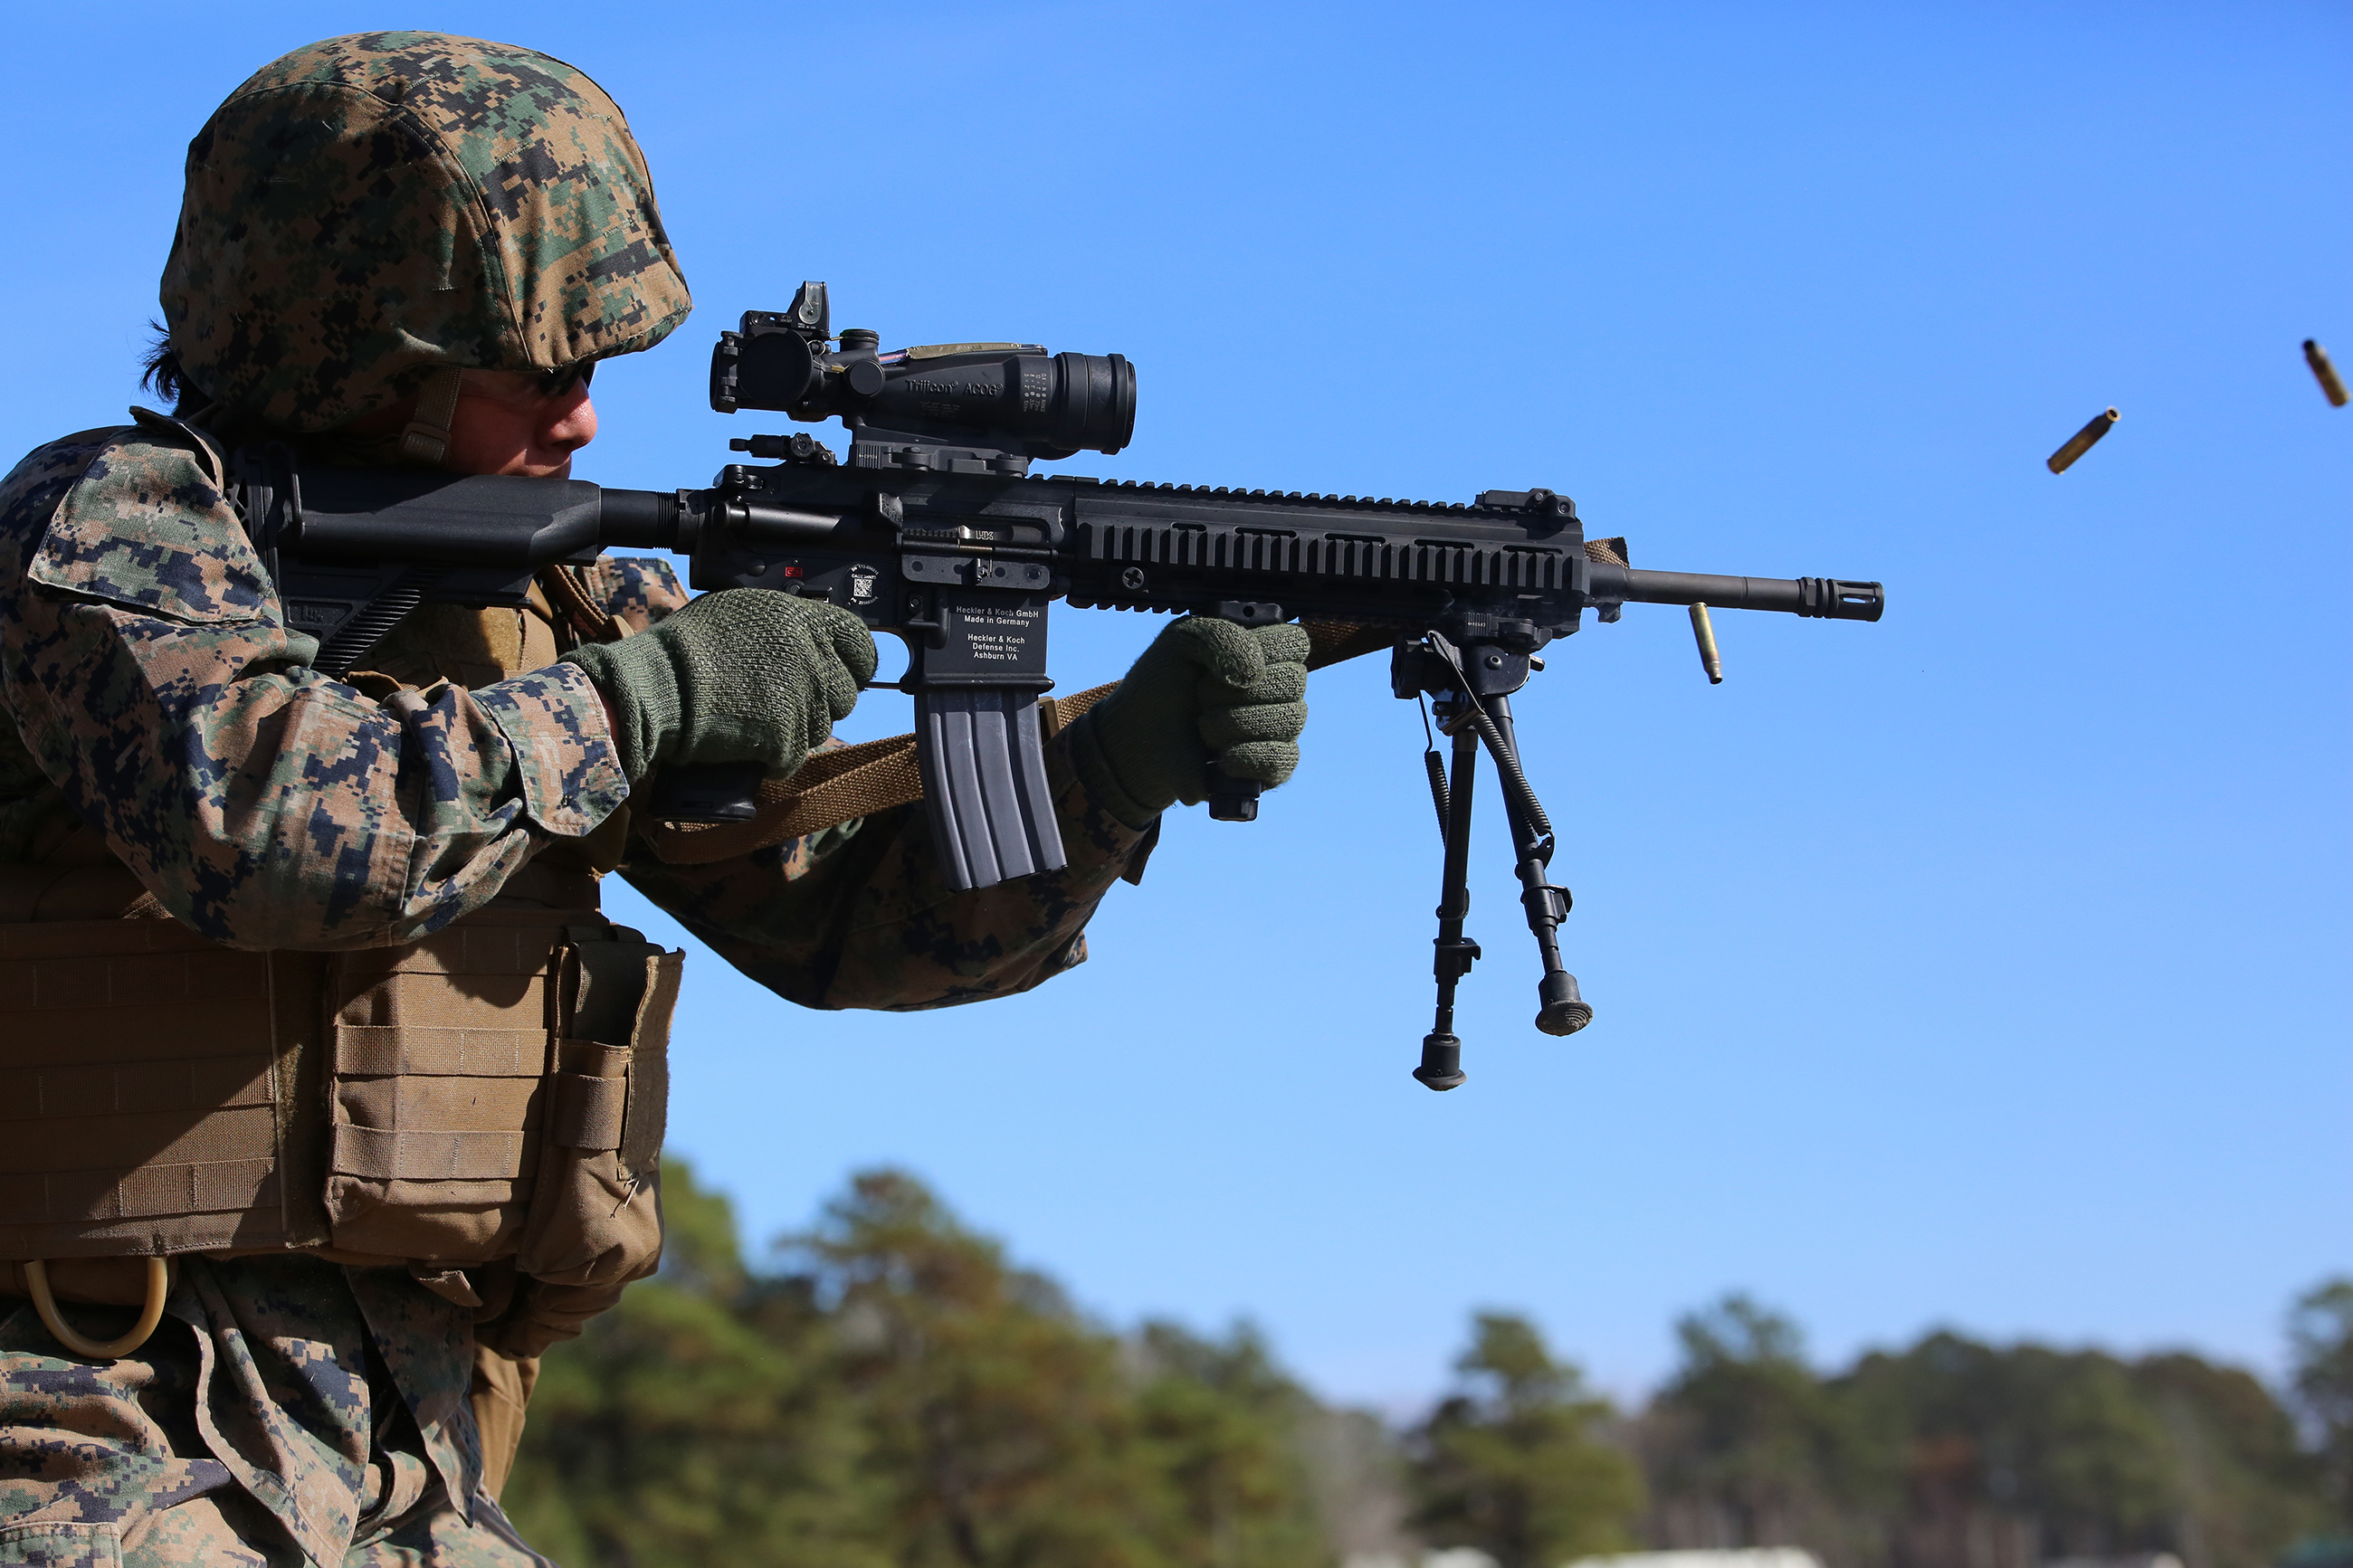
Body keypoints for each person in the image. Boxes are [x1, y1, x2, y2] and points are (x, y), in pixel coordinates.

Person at [0, 31, 1309, 1566]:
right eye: (537, 371)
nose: (585, 422)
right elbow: (271, 824)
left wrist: (1111, 770)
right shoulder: (114, 525)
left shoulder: (557, 597)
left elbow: (834, 918)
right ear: (368, 354)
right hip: (92, 1414)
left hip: (414, 1449)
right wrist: (647, 695)